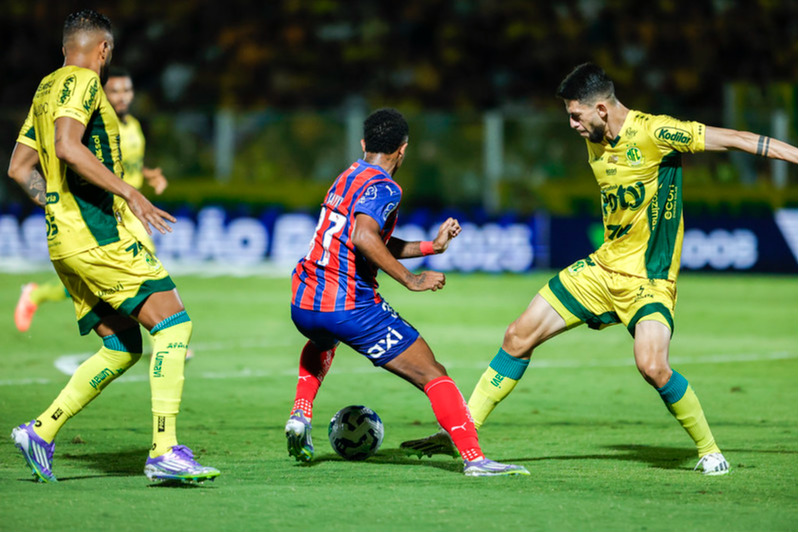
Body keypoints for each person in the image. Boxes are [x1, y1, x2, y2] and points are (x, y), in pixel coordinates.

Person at [400, 63, 799, 476]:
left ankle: (709, 450)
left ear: (602, 109)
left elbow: (736, 138)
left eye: (576, 115)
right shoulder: (596, 137)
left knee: (652, 366)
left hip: (648, 279)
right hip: (601, 269)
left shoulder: (656, 132)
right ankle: (460, 433)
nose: (572, 124)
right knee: (518, 335)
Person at [7, 9, 218, 484]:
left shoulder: (45, 88)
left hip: (63, 240)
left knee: (122, 346)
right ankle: (164, 450)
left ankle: (40, 431)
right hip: (97, 234)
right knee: (174, 324)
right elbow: (67, 146)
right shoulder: (84, 81)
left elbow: (19, 168)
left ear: (66, 46)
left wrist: (57, 204)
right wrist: (130, 194)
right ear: (103, 49)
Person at [285, 108, 529, 477]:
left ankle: (300, 413)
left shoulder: (347, 176)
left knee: (323, 341)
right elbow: (363, 237)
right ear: (403, 149)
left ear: (364, 144)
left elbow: (371, 239)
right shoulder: (385, 187)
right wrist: (410, 280)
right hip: (348, 305)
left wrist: (432, 246)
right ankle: (475, 459)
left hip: (305, 300)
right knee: (433, 373)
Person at [14, 68, 169, 334]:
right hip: (107, 208)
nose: (122, 97)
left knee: (102, 279)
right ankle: (165, 333)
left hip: (130, 207)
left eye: (127, 90)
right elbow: (82, 163)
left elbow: (120, 164)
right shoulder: (93, 126)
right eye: (115, 91)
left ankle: (37, 294)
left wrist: (147, 174)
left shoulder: (133, 126)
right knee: (144, 270)